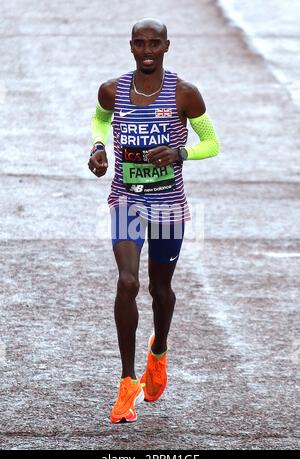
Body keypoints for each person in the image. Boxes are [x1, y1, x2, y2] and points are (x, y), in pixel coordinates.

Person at [88, 18, 220, 424]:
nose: (147, 50)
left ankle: (158, 350)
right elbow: (100, 120)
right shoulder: (112, 90)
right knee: (128, 283)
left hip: (168, 206)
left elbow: (211, 143)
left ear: (167, 46)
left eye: (155, 44)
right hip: (126, 200)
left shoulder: (185, 94)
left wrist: (180, 154)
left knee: (161, 290)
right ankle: (127, 382)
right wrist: (98, 148)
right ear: (131, 46)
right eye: (140, 43)